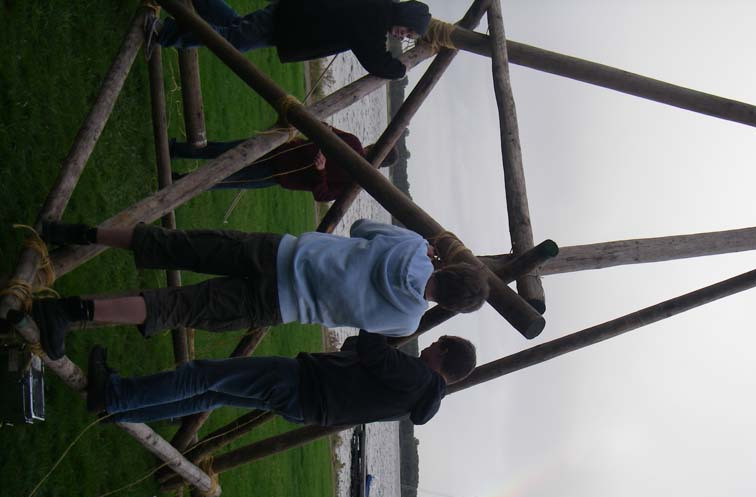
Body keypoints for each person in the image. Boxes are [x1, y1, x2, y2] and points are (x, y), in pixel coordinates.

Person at [31, 220, 489, 360]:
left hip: (280, 251)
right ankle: (70, 312)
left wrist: (423, 249)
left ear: (449, 264)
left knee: (179, 244)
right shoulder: (407, 321)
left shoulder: (412, 245)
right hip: (283, 303)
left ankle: (79, 232)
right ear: (447, 305)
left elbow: (360, 228)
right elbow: (366, 326)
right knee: (179, 307)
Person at [86, 330, 476, 425]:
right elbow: (361, 357)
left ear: (443, 353)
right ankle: (121, 412)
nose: (428, 345)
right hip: (305, 407)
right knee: (210, 395)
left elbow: (372, 348)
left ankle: (113, 395)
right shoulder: (419, 401)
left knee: (203, 376)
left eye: (436, 343)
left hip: (298, 382)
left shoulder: (419, 377)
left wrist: (387, 309)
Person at [150, 0, 432, 80]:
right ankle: (163, 32)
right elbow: (375, 60)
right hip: (289, 22)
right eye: (407, 30)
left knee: (234, 27)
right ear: (405, 16)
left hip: (290, 20)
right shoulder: (376, 15)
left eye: (408, 36)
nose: (402, 35)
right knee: (232, 41)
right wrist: (400, 70)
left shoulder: (379, 11)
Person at [169, 128, 399, 202]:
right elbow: (323, 129)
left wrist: (320, 171)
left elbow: (323, 194)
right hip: (280, 151)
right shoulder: (353, 144)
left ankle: (178, 176)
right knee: (226, 157)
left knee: (226, 171)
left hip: (280, 172)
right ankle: (177, 159)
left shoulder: (356, 180)